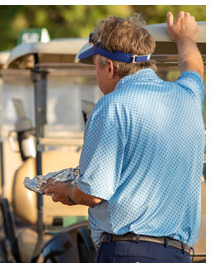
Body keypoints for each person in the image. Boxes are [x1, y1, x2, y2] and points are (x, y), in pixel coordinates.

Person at [43, 11, 204, 263]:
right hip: (179, 255)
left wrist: (69, 193)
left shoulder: (111, 106)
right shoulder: (188, 97)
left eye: (95, 65)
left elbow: (93, 193)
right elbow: (193, 69)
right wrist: (186, 41)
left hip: (129, 252)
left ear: (109, 67)